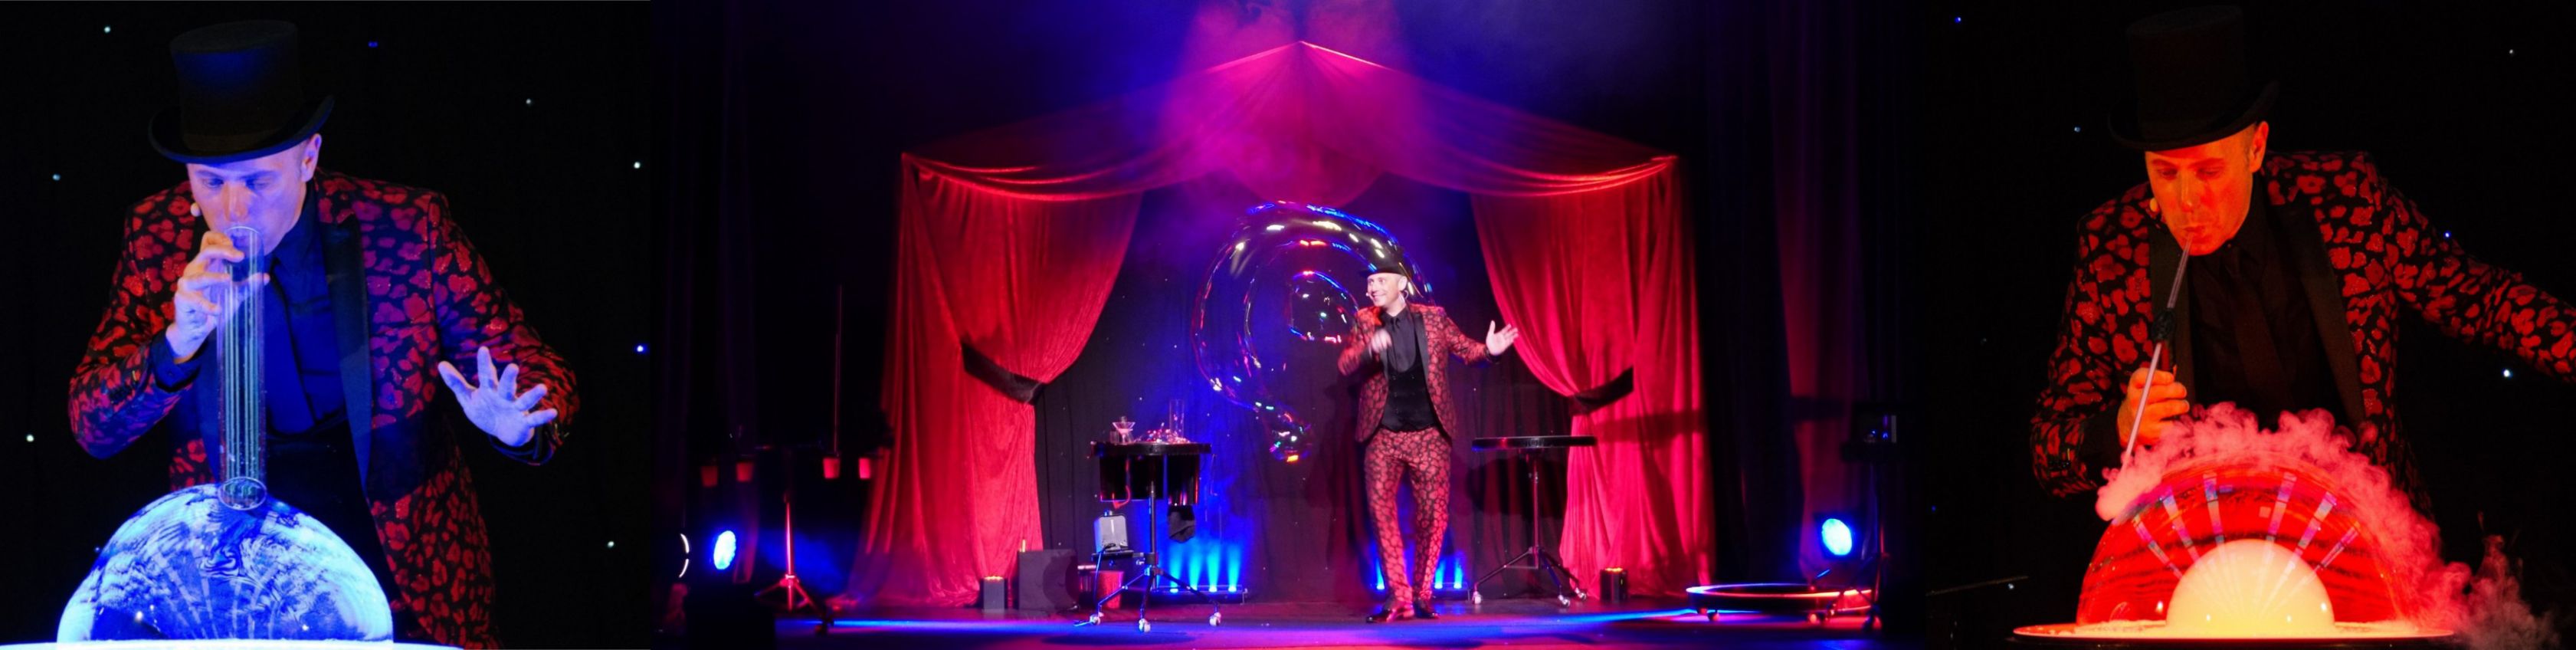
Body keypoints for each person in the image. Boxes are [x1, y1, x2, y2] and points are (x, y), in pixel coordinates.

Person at [65, 21, 576, 648]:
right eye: (211, 182)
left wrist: (517, 425)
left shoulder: (406, 226)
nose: (234, 209)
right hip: (239, 584)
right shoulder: (158, 238)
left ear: (308, 158)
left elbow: (538, 369)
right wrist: (176, 345)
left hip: (403, 559)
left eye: (259, 181)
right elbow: (92, 427)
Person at [2029, 6, 2576, 510]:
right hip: (2204, 559)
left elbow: (2480, 299)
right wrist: (2119, 427)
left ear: (2256, 148)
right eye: (2165, 173)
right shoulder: (2111, 248)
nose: (2186, 201)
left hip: (2368, 533)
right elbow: (2048, 450)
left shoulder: (2349, 199)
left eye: (2209, 171)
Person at [1337, 266, 1519, 622]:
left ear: (1402, 285)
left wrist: (1491, 351)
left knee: (1432, 516)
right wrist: (1368, 349)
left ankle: (1422, 594)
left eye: (1381, 281)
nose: (1373, 287)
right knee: (1381, 513)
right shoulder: (1364, 320)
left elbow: (1467, 349)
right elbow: (1346, 363)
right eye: (1370, 282)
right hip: (1382, 434)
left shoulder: (1434, 318)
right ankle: (1398, 596)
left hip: (1430, 435)